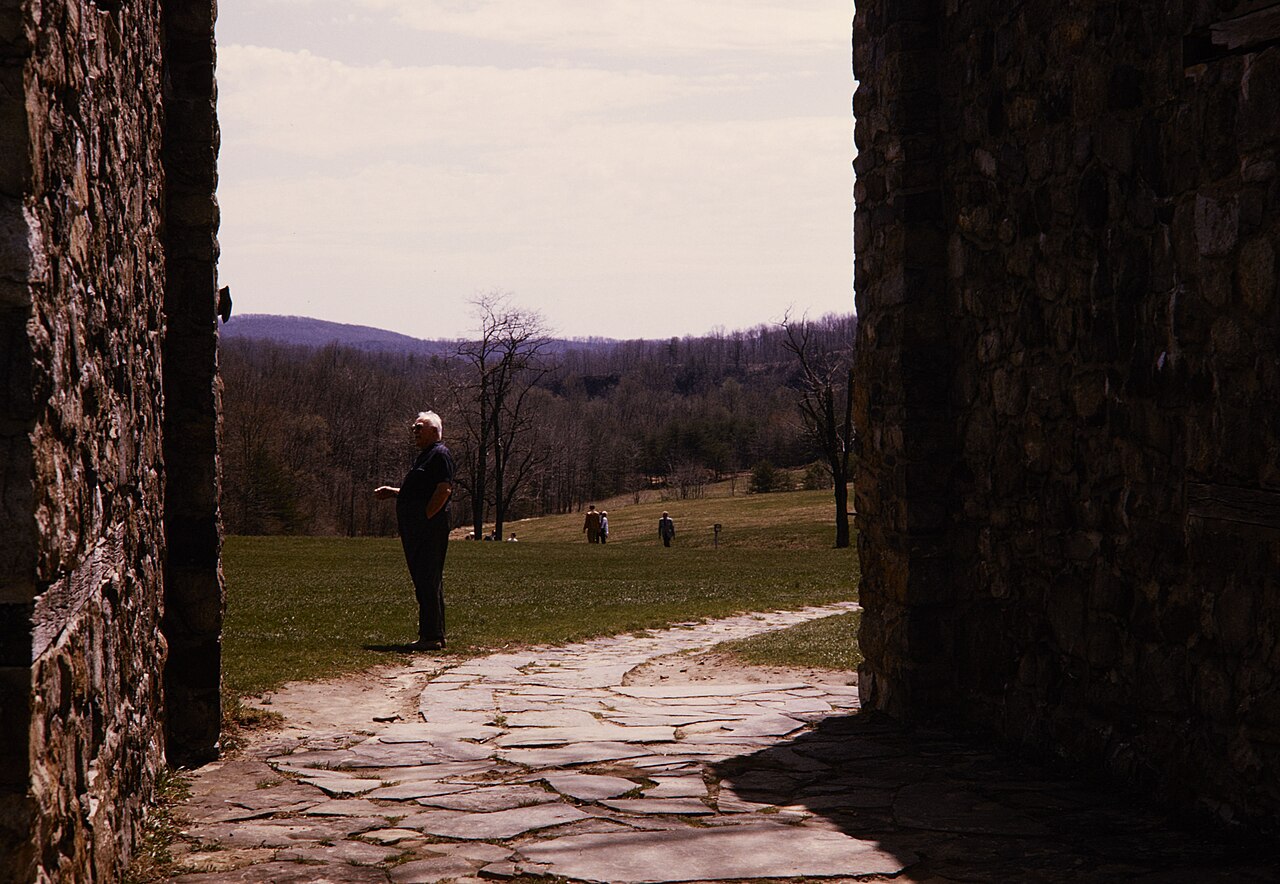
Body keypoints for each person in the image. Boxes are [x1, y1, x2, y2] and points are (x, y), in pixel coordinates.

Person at [375, 411, 454, 651]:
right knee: (425, 580)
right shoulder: (425, 457)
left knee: (427, 579)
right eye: (413, 428)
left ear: (434, 431)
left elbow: (444, 490)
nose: (415, 431)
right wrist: (395, 492)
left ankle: (431, 636)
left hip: (428, 529)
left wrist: (426, 518)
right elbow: (420, 492)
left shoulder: (440, 455)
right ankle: (432, 633)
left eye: (419, 427)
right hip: (418, 529)